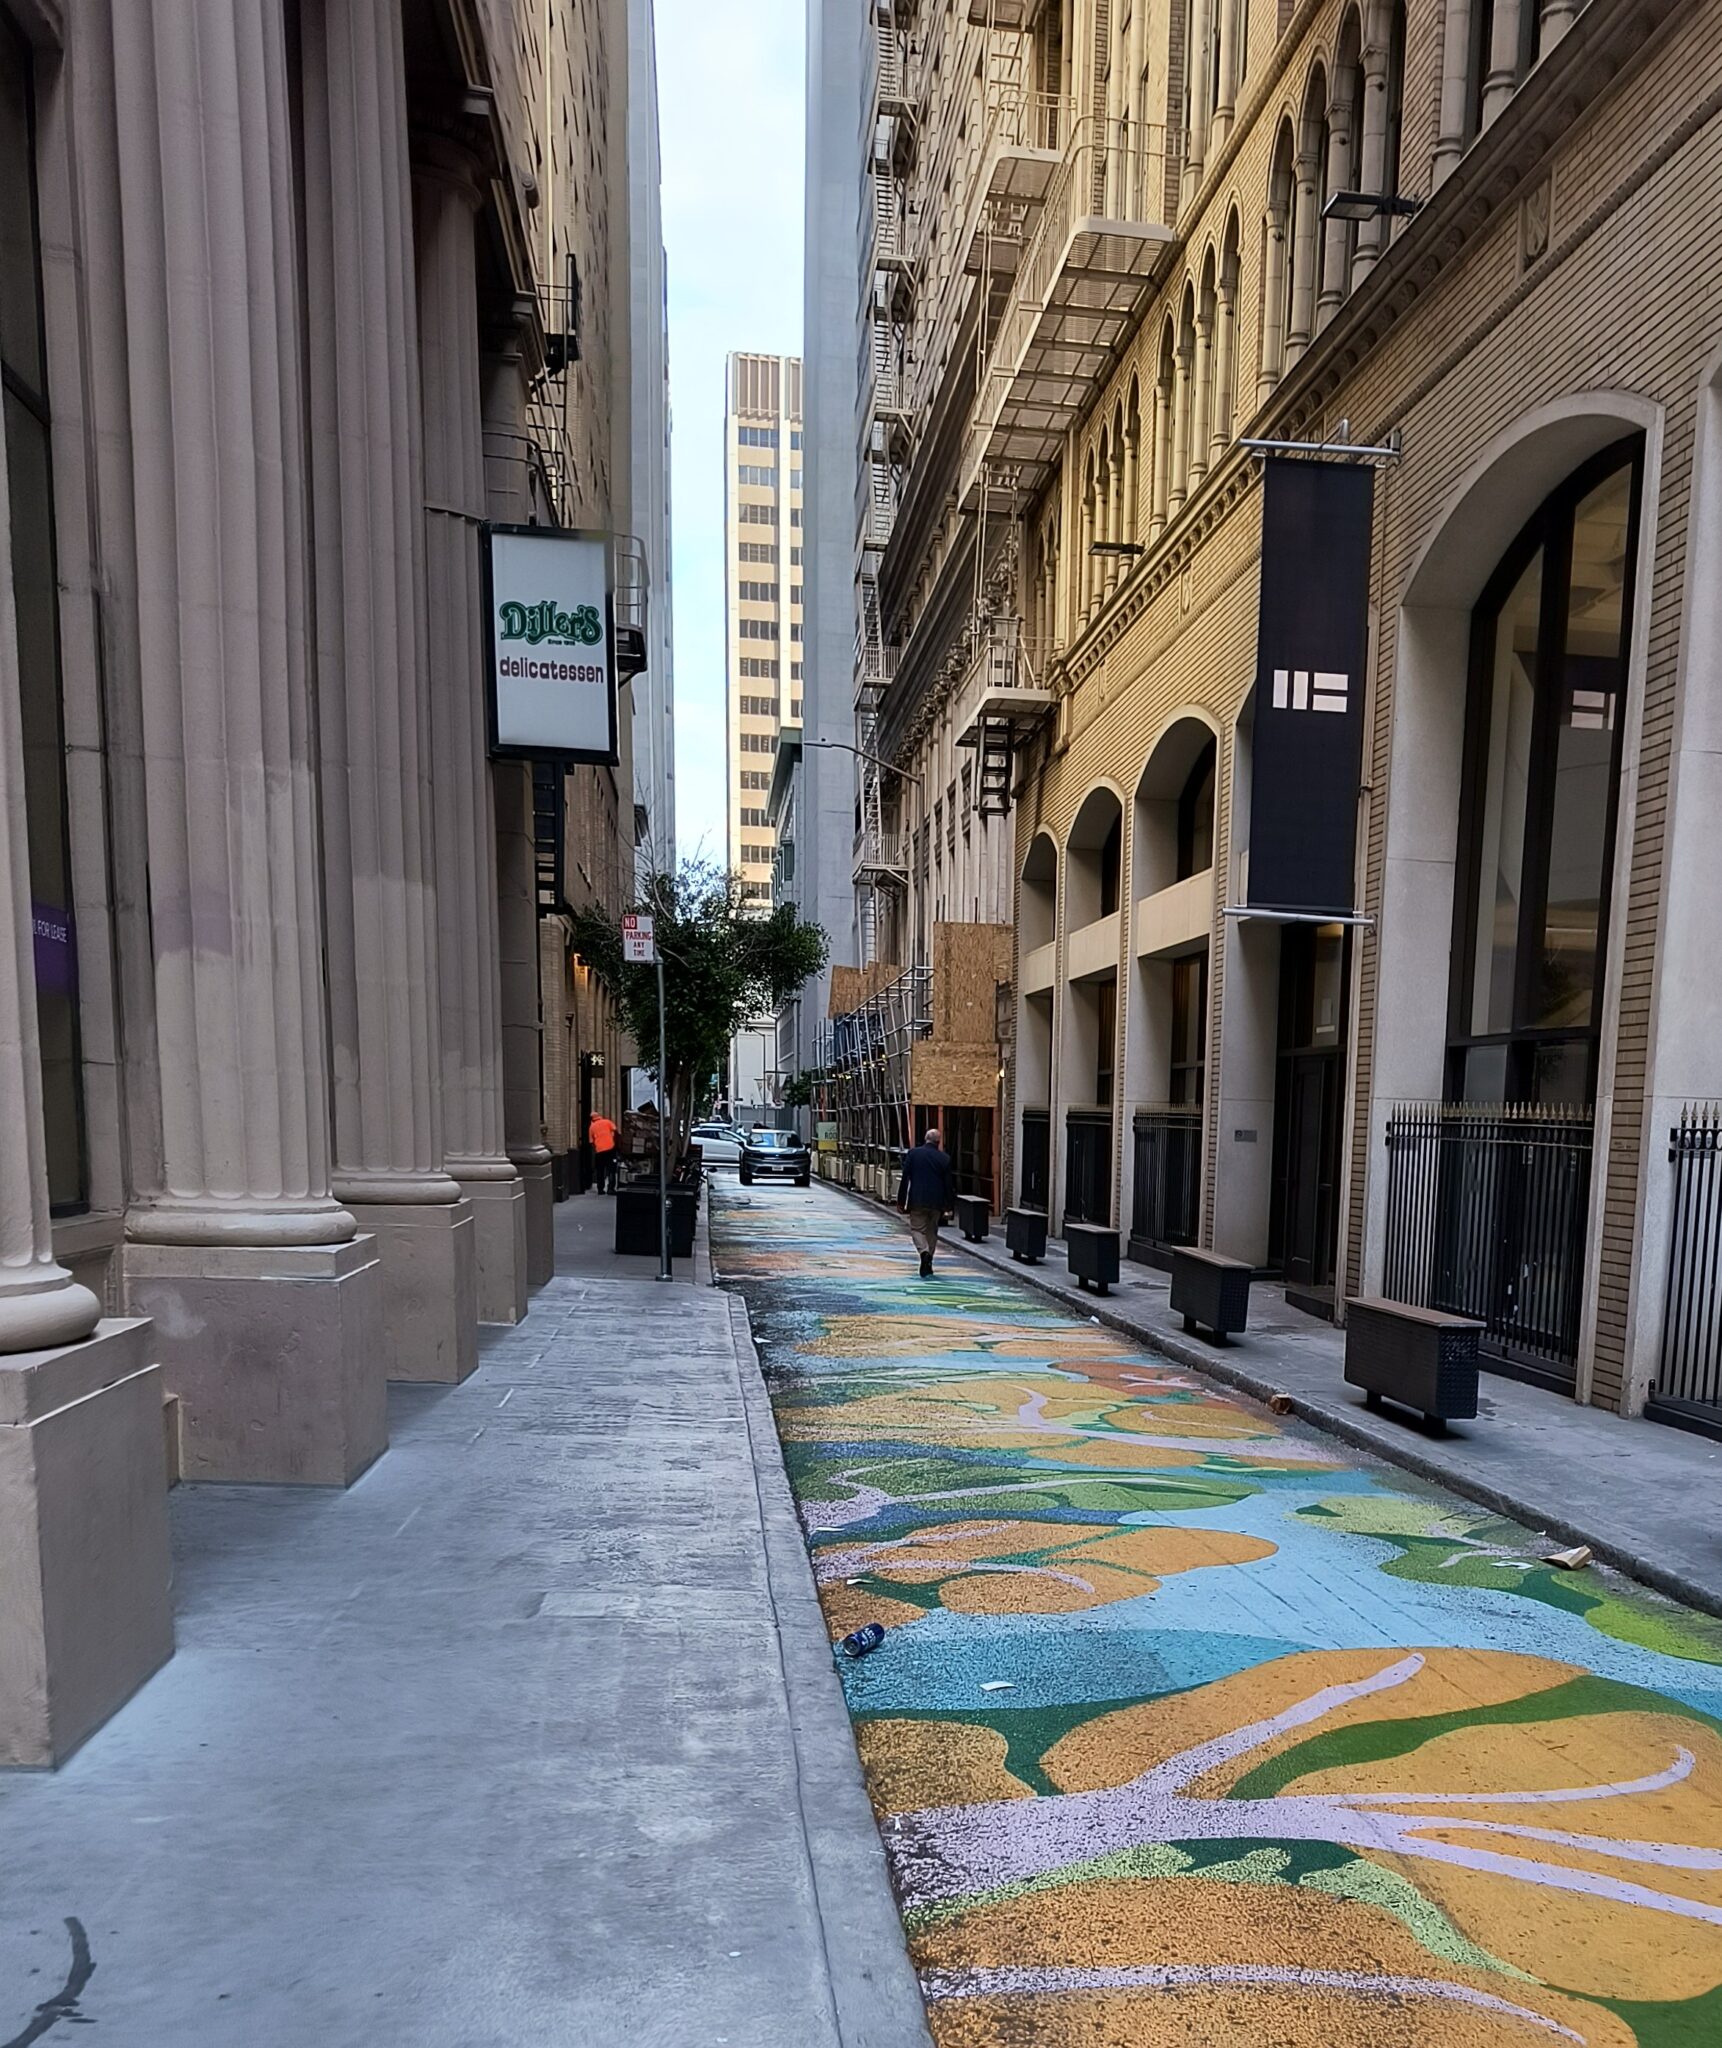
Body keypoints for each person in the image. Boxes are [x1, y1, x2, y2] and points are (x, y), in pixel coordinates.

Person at [898, 1127, 955, 1279]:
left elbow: (905, 1178)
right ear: (938, 1142)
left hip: (917, 1199)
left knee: (917, 1229)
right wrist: (949, 1205)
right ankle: (929, 1259)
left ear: (926, 1139)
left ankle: (924, 1253)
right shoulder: (944, 1159)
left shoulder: (914, 1154)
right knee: (932, 1231)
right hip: (936, 1202)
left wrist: (901, 1201)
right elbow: (949, 1185)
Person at [588, 1109, 618, 1193]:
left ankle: (600, 1189)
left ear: (592, 1119)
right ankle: (611, 1188)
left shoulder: (592, 1127)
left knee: (600, 1170)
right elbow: (615, 1130)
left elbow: (591, 1141)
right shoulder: (607, 1122)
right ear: (599, 1117)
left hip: (599, 1151)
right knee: (611, 1169)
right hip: (611, 1149)